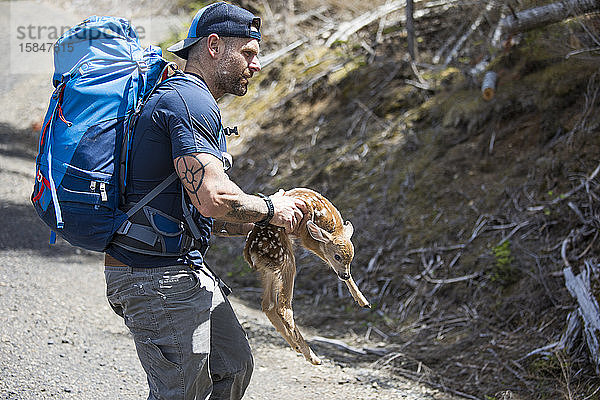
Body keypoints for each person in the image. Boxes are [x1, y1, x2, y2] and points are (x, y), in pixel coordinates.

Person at [103, 2, 306, 399]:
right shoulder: (188, 102)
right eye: (248, 52)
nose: (258, 64)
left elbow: (200, 210)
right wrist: (269, 207)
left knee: (231, 367)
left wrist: (270, 221)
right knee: (181, 393)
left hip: (180, 267)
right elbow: (212, 198)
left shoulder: (190, 99)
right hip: (154, 276)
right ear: (214, 45)